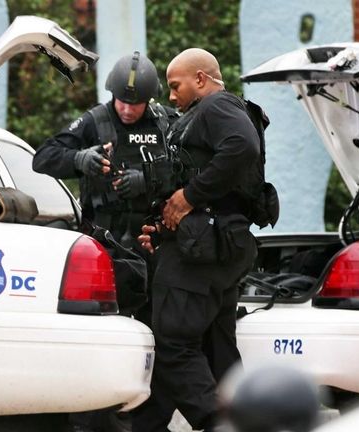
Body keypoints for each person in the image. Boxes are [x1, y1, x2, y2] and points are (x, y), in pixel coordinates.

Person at [132, 48, 262, 432]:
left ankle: (221, 423)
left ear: (201, 79)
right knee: (217, 347)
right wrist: (165, 219)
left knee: (173, 344)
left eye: (176, 86)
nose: (171, 96)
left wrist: (190, 197)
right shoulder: (217, 111)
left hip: (201, 252)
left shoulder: (216, 107)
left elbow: (243, 146)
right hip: (217, 245)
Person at [32, 51, 177, 250]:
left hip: (153, 240)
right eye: (122, 101)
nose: (127, 110)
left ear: (149, 99)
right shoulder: (94, 121)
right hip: (103, 240)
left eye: (135, 104)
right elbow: (42, 158)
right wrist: (79, 159)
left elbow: (194, 169)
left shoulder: (164, 122)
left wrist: (147, 179)